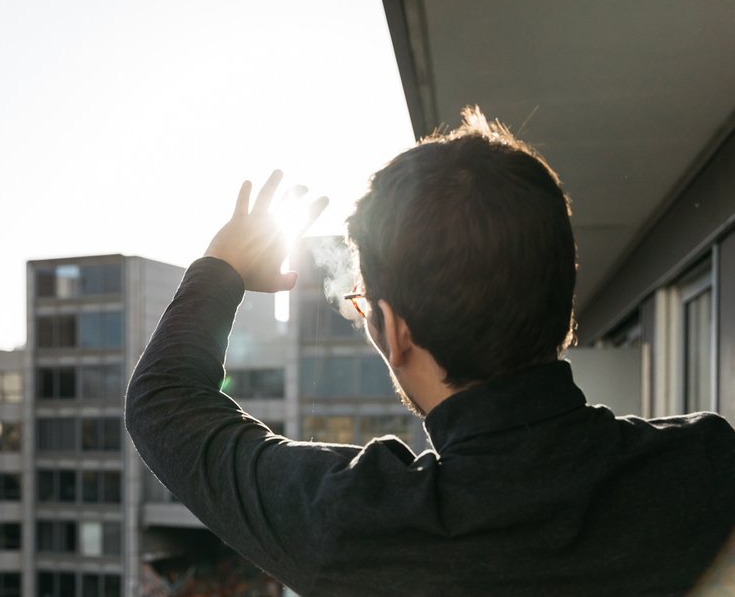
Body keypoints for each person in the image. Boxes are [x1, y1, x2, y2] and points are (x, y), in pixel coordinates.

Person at [125, 107, 735, 596]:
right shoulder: (709, 464)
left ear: (394, 331)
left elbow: (163, 406)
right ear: (563, 304)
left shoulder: (360, 527)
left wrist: (222, 267)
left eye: (364, 305)